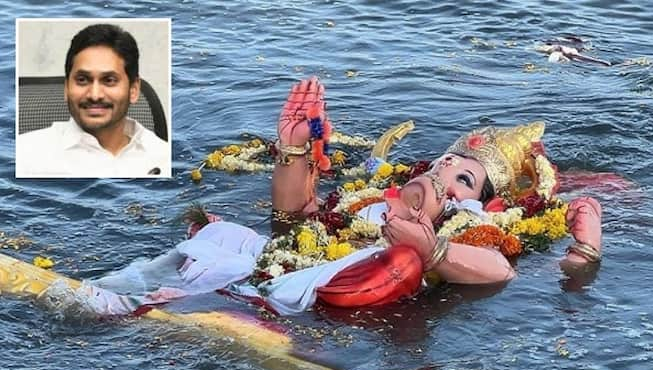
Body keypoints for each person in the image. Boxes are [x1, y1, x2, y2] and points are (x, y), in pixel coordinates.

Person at [53, 77, 603, 317]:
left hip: (358, 287)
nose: (445, 176)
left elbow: (499, 271)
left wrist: (432, 250)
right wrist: (293, 152)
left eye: (463, 180)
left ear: (475, 205)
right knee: (224, 233)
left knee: (395, 263)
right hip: (301, 263)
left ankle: (200, 301)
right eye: (443, 164)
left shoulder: (475, 228)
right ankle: (120, 288)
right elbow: (295, 216)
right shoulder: (370, 202)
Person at [16, 23, 170, 178]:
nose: (95, 95)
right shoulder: (24, 155)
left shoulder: (164, 158)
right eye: (82, 80)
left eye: (109, 80)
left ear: (133, 90)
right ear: (66, 88)